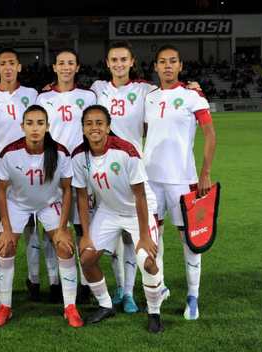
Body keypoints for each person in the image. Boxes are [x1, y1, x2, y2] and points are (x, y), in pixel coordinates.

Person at [90, 41, 198, 311]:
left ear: (132, 61)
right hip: (103, 170)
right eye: (113, 59)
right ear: (107, 62)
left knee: (134, 234)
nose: (118, 64)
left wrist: (191, 88)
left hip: (137, 171)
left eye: (123, 59)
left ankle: (129, 292)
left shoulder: (144, 89)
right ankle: (119, 285)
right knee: (113, 235)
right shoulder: (96, 89)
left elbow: (166, 104)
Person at [71, 105, 165, 334]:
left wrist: (143, 236)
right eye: (89, 123)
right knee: (86, 258)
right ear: (83, 128)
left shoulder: (126, 151)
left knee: (149, 261)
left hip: (138, 210)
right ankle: (106, 305)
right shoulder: (79, 155)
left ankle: (154, 312)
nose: (94, 127)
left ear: (108, 127)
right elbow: (81, 196)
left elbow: (140, 195)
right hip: (110, 210)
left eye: (99, 123)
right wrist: (85, 235)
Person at [143, 45, 217, 320]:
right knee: (153, 239)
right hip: (150, 181)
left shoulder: (192, 97)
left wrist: (205, 174)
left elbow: (211, 136)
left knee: (190, 241)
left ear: (180, 65)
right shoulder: (149, 97)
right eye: (162, 62)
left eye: (172, 61)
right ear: (155, 67)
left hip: (182, 181)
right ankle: (159, 287)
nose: (167, 66)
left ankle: (193, 295)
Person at [0, 105, 82, 327]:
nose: (35, 128)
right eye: (30, 123)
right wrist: (5, 228)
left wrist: (62, 228)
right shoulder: (8, 153)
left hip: (49, 203)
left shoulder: (60, 153)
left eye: (40, 123)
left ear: (47, 126)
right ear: (22, 126)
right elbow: (1, 190)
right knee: (5, 247)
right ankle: (5, 306)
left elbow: (67, 189)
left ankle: (70, 306)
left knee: (65, 246)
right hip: (18, 204)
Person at [0, 47, 39, 303]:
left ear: (19, 67)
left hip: (27, 168)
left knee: (30, 225)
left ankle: (34, 280)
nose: (8, 67)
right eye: (3, 63)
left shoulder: (32, 94)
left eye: (12, 63)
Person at [37, 48, 97, 304]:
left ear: (77, 67)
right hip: (52, 167)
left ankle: (84, 284)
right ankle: (53, 283)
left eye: (70, 63)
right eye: (61, 63)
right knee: (51, 228)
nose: (66, 67)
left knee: (83, 226)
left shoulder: (89, 95)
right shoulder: (43, 97)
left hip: (82, 168)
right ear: (54, 67)